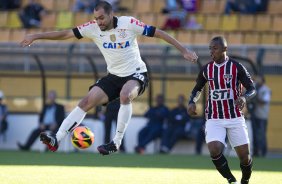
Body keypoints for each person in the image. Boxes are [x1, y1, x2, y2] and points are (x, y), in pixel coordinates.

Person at [20, 1, 198, 155]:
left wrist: (184, 50)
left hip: (136, 73)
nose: (99, 22)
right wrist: (36, 36)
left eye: (102, 18)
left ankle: (116, 142)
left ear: (111, 14)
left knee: (125, 95)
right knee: (86, 102)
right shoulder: (92, 28)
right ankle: (57, 139)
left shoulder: (128, 23)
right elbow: (65, 34)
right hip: (113, 75)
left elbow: (158, 32)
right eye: (96, 18)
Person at [187, 36, 256, 184]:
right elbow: (197, 89)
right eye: (210, 49)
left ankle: (245, 180)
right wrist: (192, 101)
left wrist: (244, 98)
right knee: (214, 149)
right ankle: (231, 180)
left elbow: (252, 88)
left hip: (235, 116)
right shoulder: (207, 69)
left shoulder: (236, 67)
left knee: (245, 157)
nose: (212, 52)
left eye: (215, 48)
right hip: (214, 117)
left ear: (225, 49)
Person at [251, 75, 271, 157]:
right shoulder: (256, 88)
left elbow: (265, 101)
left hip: (262, 116)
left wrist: (255, 99)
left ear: (263, 80)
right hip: (255, 114)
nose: (257, 81)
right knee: (255, 134)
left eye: (259, 80)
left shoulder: (266, 90)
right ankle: (256, 152)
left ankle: (263, 152)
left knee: (261, 134)